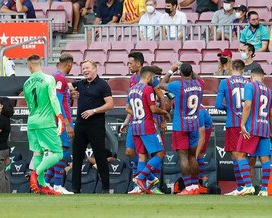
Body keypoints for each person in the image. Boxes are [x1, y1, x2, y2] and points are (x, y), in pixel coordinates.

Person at [119, 52, 166, 194]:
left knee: (144, 155)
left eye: (130, 63)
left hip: (143, 122)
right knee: (150, 153)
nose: (129, 65)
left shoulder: (144, 83)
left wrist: (161, 118)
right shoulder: (139, 83)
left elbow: (161, 97)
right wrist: (128, 121)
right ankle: (143, 178)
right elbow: (135, 107)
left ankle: (149, 184)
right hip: (144, 123)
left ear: (139, 64)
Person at [23, 54, 65, 195]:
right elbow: (53, 99)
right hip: (46, 122)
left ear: (30, 65)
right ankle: (36, 173)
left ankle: (43, 185)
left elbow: (29, 105)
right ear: (39, 63)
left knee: (38, 153)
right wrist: (59, 116)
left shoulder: (26, 83)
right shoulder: (49, 79)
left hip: (32, 121)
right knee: (58, 153)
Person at [160, 62, 204, 195]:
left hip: (181, 126)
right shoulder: (199, 84)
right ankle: (195, 186)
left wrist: (171, 70)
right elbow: (197, 77)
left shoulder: (177, 85)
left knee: (183, 156)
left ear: (180, 73)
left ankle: (189, 187)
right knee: (192, 156)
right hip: (194, 124)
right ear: (191, 72)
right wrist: (190, 70)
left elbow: (161, 84)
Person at [70, 60, 114, 194]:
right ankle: (75, 189)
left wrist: (93, 111)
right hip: (80, 125)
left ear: (95, 68)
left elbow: (110, 104)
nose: (85, 71)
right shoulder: (80, 84)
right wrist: (72, 92)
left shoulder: (103, 85)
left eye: (87, 68)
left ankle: (105, 188)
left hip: (96, 126)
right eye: (83, 69)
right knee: (77, 157)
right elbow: (66, 85)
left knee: (100, 157)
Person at [235, 67, 272, 196]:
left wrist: (242, 124)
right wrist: (271, 132)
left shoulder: (250, 86)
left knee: (240, 155)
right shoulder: (270, 92)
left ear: (251, 76)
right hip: (264, 128)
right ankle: (264, 190)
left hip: (251, 127)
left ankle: (248, 186)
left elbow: (247, 105)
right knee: (265, 159)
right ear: (263, 77)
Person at [215, 59, 248, 195]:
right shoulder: (249, 83)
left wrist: (228, 109)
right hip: (246, 123)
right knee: (239, 154)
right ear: (243, 70)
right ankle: (241, 188)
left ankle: (245, 185)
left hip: (233, 123)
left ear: (231, 68)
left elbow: (217, 105)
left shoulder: (225, 82)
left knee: (236, 154)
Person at [44, 53, 75, 194]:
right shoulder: (60, 78)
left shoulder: (56, 77)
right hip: (60, 122)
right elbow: (57, 102)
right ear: (69, 64)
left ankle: (46, 183)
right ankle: (56, 185)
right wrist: (66, 123)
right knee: (63, 152)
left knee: (57, 153)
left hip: (58, 120)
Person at [196, 104, 212, 193]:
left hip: (205, 127)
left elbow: (202, 138)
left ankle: (200, 181)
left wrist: (195, 156)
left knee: (199, 154)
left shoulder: (200, 112)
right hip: (190, 124)